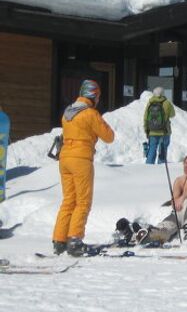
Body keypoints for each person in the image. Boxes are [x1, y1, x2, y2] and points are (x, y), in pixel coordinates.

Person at [53, 80, 114, 256]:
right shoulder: (90, 113)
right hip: (81, 159)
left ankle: (59, 240)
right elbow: (109, 136)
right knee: (83, 201)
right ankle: (75, 240)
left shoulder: (67, 112)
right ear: (94, 96)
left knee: (68, 200)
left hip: (65, 158)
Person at [132, 154, 187, 245]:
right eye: (185, 163)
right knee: (170, 221)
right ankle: (150, 235)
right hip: (182, 214)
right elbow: (175, 201)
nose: (186, 166)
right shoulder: (179, 181)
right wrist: (175, 203)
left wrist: (183, 197)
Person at [143, 86, 175, 164]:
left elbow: (145, 117)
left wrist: (146, 129)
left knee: (152, 149)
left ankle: (149, 165)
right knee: (163, 149)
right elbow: (173, 114)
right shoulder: (167, 102)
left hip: (152, 131)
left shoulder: (150, 102)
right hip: (165, 131)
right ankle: (161, 165)